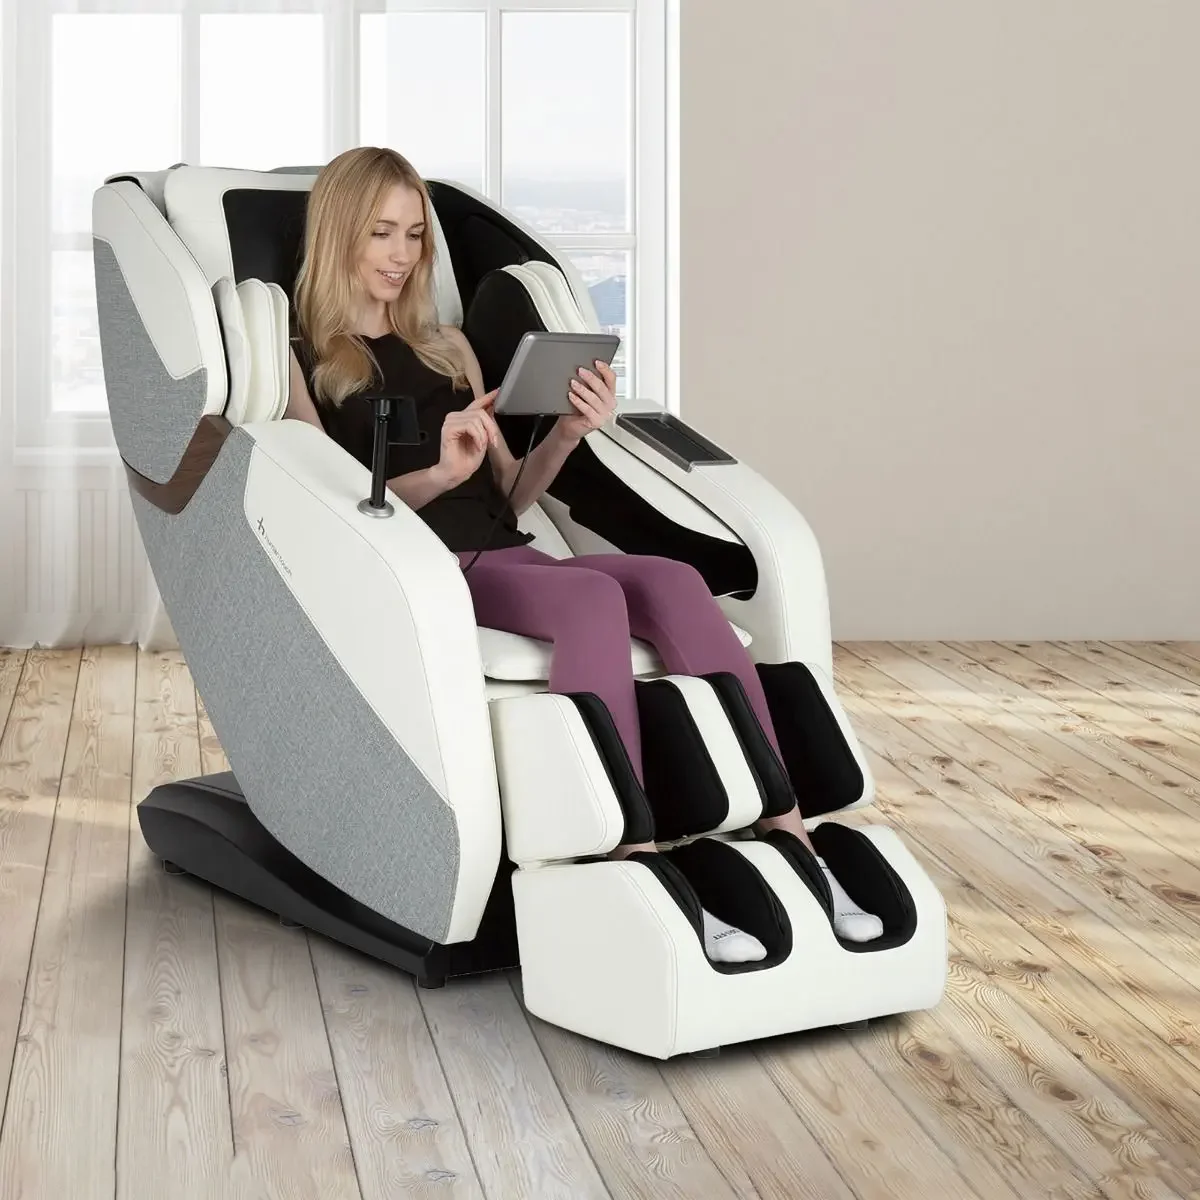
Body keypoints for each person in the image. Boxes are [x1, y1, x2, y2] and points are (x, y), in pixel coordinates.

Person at [284, 146, 883, 961]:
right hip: (425, 569)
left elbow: (513, 497)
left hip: (509, 555)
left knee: (673, 580)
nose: (400, 254)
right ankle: (626, 858)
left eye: (415, 235)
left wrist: (568, 431)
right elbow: (335, 514)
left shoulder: (449, 349)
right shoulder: (307, 358)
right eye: (381, 232)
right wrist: (434, 473)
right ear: (339, 234)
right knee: (595, 602)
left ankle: (790, 833)